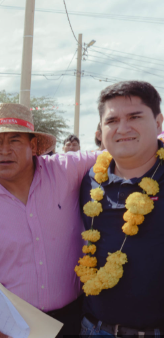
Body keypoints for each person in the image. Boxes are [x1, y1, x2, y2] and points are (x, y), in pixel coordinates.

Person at [0, 103, 97, 338]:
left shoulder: (64, 170)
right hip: (10, 326)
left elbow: (117, 152)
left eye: (14, 140)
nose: (4, 150)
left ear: (33, 146)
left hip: (73, 321)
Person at [77, 81, 164, 336]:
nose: (122, 129)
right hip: (93, 328)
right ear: (101, 129)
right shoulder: (89, 178)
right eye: (112, 121)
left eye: (135, 117)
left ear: (159, 122)